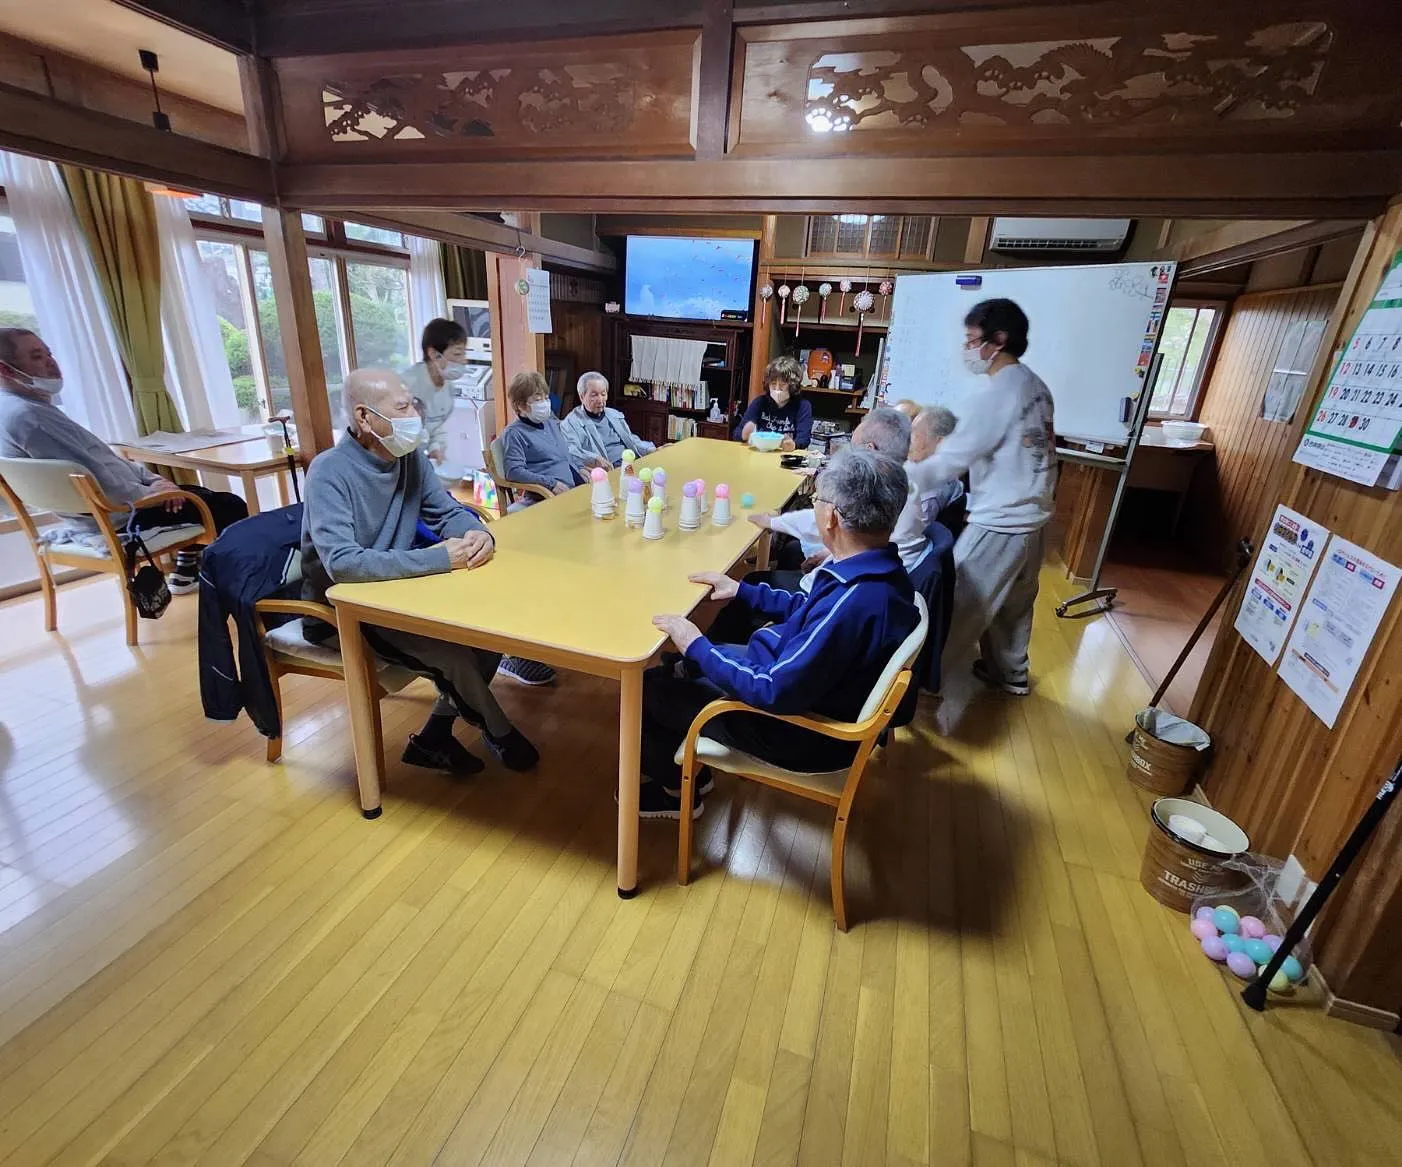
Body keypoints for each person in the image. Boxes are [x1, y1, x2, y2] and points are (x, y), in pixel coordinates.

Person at [643, 447, 920, 819]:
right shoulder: (875, 570)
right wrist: (742, 590)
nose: (816, 507)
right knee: (683, 665)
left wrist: (697, 643)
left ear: (832, 517)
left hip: (800, 733)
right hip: (807, 692)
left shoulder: (855, 600)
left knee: (650, 689)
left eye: (818, 499)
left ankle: (678, 797)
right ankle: (694, 771)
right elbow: (809, 611)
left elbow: (772, 689)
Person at [301, 367, 539, 775]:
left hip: (398, 590)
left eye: (411, 402)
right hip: (346, 609)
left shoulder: (408, 458)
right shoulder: (328, 471)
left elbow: (447, 512)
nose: (415, 412)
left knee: (488, 631)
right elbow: (341, 563)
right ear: (363, 418)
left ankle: (433, 739)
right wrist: (439, 558)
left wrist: (479, 534)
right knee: (452, 654)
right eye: (402, 406)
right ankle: (500, 731)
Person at [0, 327, 248, 593]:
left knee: (194, 494)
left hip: (96, 511)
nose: (51, 362)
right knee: (227, 505)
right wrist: (152, 493)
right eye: (37, 356)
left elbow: (105, 462)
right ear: (6, 370)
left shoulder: (16, 409)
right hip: (117, 516)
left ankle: (188, 569)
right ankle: (240, 585)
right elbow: (101, 483)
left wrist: (155, 481)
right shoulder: (31, 418)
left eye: (49, 353)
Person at [907, 298, 1055, 696]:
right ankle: (1010, 673)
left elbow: (951, 459)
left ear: (998, 340)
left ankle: (914, 684)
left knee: (952, 603)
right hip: (1036, 517)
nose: (968, 349)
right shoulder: (1037, 387)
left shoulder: (994, 396)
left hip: (1000, 521)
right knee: (1016, 603)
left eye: (972, 339)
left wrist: (900, 478)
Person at [500, 371, 584, 506]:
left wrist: (580, 468)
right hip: (547, 496)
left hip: (574, 488)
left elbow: (564, 453)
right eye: (538, 400)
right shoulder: (514, 433)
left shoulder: (550, 421)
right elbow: (514, 471)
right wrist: (550, 483)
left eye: (546, 398)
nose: (545, 403)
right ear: (520, 405)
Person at [400, 317, 469, 468]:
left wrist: (435, 448)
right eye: (458, 354)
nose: (464, 361)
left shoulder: (448, 389)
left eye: (464, 354)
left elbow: (437, 425)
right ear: (433, 354)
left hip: (417, 461)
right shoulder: (406, 386)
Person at [560, 371, 656, 473]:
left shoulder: (614, 414)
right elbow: (571, 451)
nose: (600, 400)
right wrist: (594, 459)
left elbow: (631, 439)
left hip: (632, 461)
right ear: (582, 397)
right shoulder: (571, 422)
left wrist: (651, 449)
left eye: (603, 394)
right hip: (610, 469)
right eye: (594, 395)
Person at [734, 356, 812, 451]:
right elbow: (737, 433)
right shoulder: (760, 402)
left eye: (782, 385)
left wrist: (794, 444)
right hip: (761, 453)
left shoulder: (802, 406)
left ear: (792, 386)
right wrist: (743, 435)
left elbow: (804, 439)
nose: (777, 389)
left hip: (785, 455)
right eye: (773, 384)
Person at [909, 406, 965, 525]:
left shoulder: (932, 489)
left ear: (939, 441)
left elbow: (905, 536)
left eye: (915, 434)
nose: (909, 438)